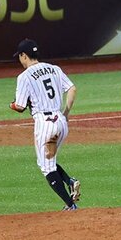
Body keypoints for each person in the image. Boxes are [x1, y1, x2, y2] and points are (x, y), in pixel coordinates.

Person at [9, 39, 81, 210]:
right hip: (61, 122)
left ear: (24, 55)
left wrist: (11, 105)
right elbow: (72, 89)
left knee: (46, 167)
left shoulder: (24, 76)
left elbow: (19, 106)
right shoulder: (54, 69)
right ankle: (70, 181)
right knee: (49, 160)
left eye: (19, 56)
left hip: (45, 124)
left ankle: (70, 205)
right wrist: (66, 113)